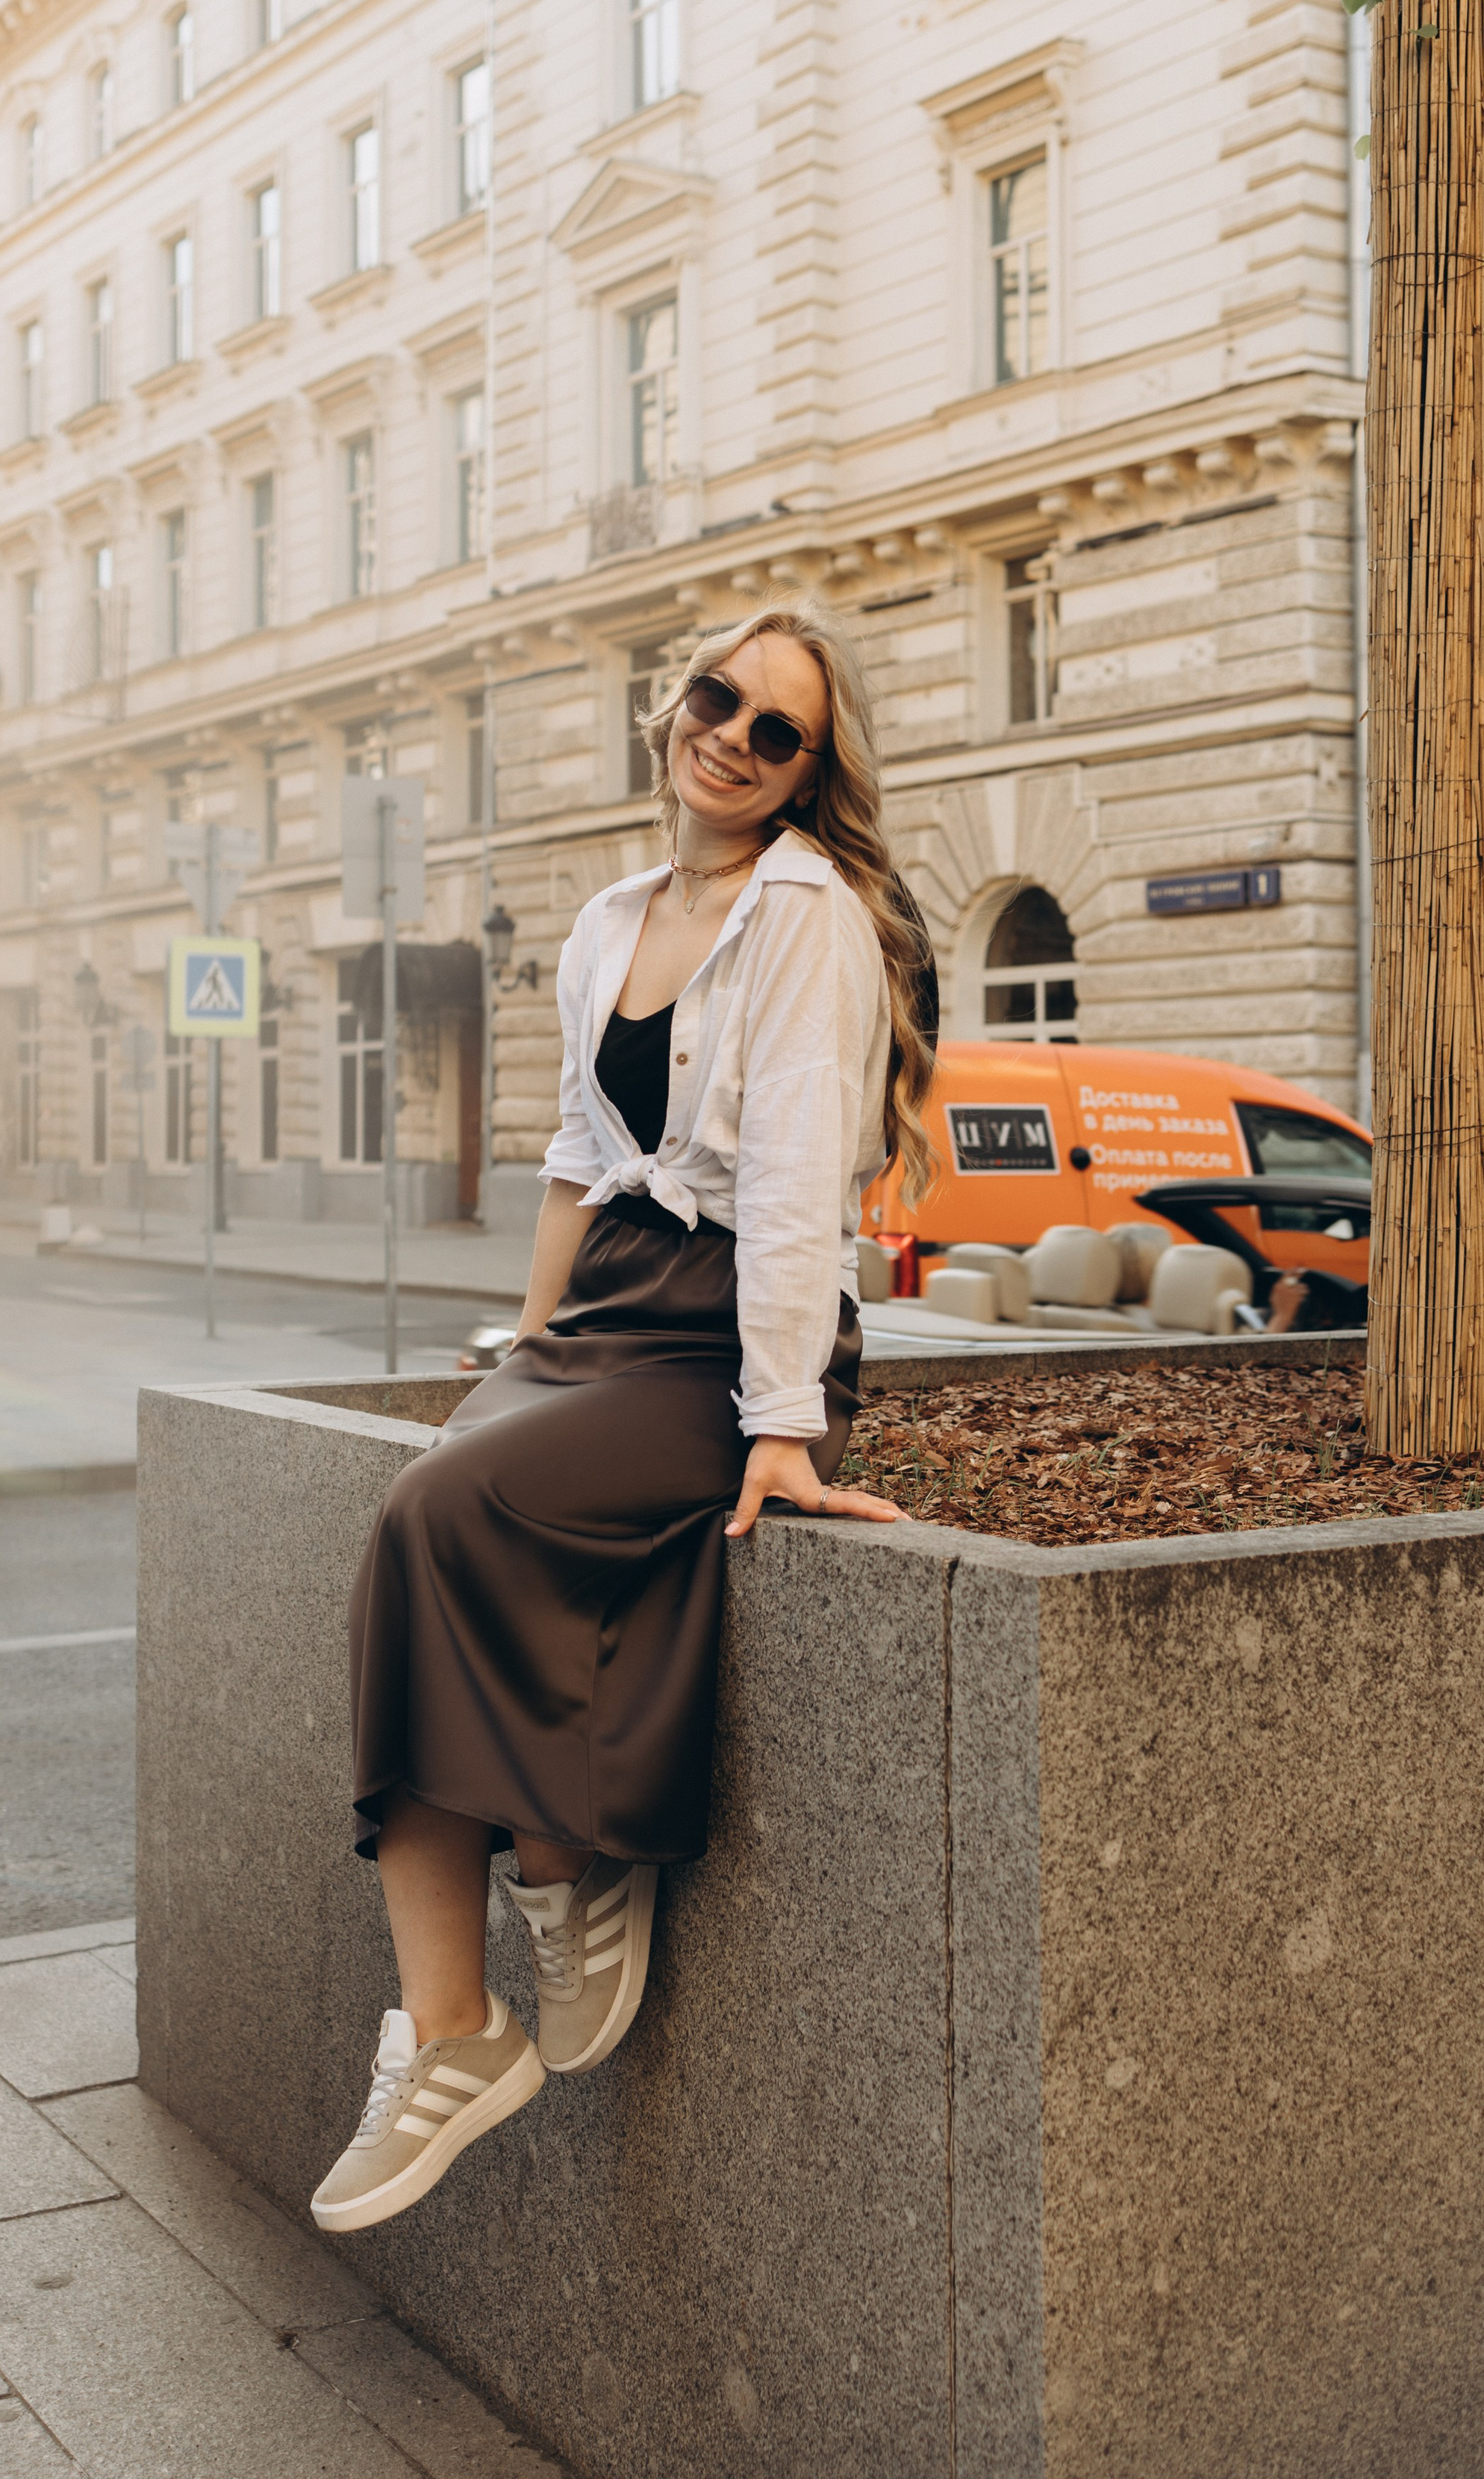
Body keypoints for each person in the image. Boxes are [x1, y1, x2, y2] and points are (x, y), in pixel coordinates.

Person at [311, 600, 938, 2234]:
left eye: (775, 730)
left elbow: (803, 1175)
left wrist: (783, 1422)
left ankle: (545, 1893)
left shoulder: (808, 915)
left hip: (722, 1331)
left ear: (808, 775)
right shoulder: (608, 917)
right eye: (715, 697)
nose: (729, 735)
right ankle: (465, 2009)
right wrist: (523, 1349)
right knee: (429, 1521)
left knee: (432, 1517)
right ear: (674, 702)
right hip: (602, 1320)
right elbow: (579, 1158)